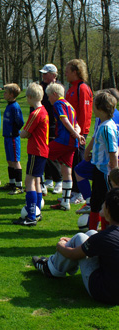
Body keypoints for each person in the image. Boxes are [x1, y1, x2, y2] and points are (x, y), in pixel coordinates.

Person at [32, 188, 119, 305]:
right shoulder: (104, 237)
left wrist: (60, 246)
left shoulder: (104, 236)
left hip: (104, 293)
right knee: (91, 233)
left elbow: (73, 254)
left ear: (108, 209)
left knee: (79, 237)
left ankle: (50, 267)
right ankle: (53, 265)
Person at [77, 91, 118, 230]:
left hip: (105, 171)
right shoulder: (103, 124)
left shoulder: (107, 127)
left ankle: (107, 231)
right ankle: (92, 231)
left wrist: (115, 171)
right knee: (95, 202)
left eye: (93, 105)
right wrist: (90, 153)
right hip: (98, 168)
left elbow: (112, 150)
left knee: (106, 203)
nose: (92, 108)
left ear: (100, 108)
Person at [13, 83, 49, 226]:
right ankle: (37, 211)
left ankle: (31, 216)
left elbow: (25, 133)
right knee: (37, 181)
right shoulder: (44, 110)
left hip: (36, 151)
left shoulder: (36, 113)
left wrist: (19, 133)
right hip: (43, 150)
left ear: (29, 97)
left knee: (29, 181)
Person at [45, 83, 85, 211]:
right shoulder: (70, 106)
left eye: (49, 96)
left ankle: (38, 188)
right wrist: (77, 135)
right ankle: (65, 202)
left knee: (41, 154)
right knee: (66, 170)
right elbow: (77, 124)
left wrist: (74, 134)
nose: (48, 99)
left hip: (64, 140)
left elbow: (65, 120)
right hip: (73, 143)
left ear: (55, 94)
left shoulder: (58, 104)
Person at [65, 59, 94, 205]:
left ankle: (80, 193)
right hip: (71, 132)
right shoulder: (71, 88)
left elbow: (85, 112)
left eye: (68, 70)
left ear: (75, 72)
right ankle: (74, 191)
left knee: (78, 161)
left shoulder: (82, 88)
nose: (65, 73)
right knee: (72, 161)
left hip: (78, 133)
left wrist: (80, 133)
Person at [39, 64, 63, 194]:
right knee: (43, 151)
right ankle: (48, 178)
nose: (43, 76)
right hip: (43, 123)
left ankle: (58, 180)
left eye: (46, 74)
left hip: (54, 125)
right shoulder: (41, 87)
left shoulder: (59, 88)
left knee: (51, 152)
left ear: (53, 75)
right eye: (43, 74)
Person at [0, 83, 24, 195]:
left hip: (13, 137)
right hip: (7, 137)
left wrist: (14, 131)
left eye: (6, 92)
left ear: (11, 94)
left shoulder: (15, 107)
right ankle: (12, 183)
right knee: (9, 160)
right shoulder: (9, 105)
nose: (4, 94)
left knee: (15, 161)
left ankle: (19, 186)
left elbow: (20, 122)